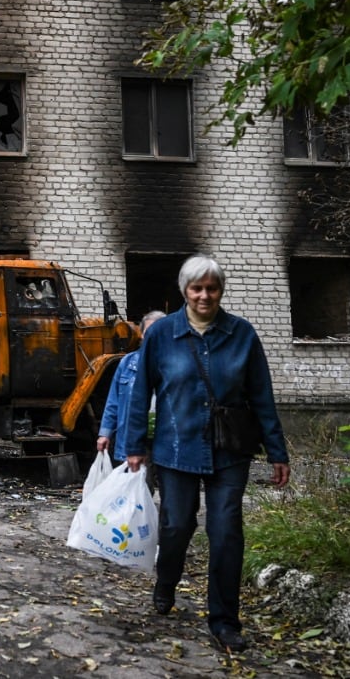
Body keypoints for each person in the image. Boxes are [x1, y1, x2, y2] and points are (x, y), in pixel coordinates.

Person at [122, 255, 290, 654]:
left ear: (221, 291)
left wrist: (277, 451)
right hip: (175, 447)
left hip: (230, 451)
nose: (204, 295)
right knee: (177, 526)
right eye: (197, 288)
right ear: (185, 291)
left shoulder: (243, 334)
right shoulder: (162, 334)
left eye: (211, 288)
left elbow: (262, 397)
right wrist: (133, 446)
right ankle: (166, 582)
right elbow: (140, 390)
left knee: (227, 532)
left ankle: (225, 621)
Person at [96, 310, 165, 460]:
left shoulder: (178, 363)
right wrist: (105, 434)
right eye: (149, 332)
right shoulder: (127, 363)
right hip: (134, 439)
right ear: (141, 335)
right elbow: (113, 402)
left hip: (167, 440)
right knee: (136, 482)